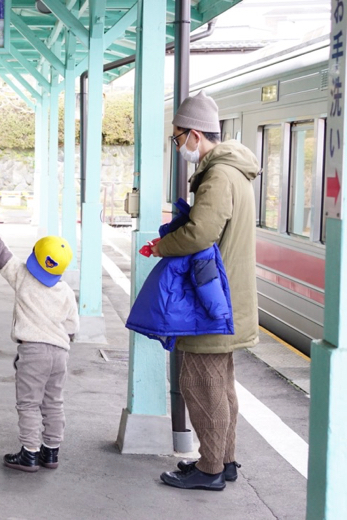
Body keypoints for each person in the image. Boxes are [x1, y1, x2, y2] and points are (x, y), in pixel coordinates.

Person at [152, 91, 259, 491]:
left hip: (213, 301)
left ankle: (210, 469)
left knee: (201, 385)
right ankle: (224, 460)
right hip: (229, 299)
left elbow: (200, 234)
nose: (179, 146)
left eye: (178, 138)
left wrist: (163, 246)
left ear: (194, 134)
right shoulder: (235, 171)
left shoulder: (217, 176)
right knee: (222, 387)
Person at [0, 223, 79, 473]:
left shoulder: (23, 277)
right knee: (54, 402)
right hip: (60, 353)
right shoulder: (65, 291)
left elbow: (4, 258)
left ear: (35, 257)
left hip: (33, 352)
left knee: (29, 404)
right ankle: (51, 451)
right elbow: (72, 328)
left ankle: (30, 453)